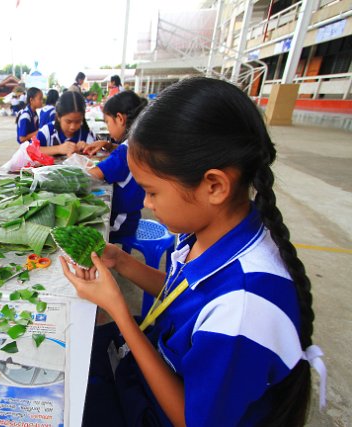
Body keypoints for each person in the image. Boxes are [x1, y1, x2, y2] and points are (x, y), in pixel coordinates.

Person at [60, 77, 323, 427]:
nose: (147, 204)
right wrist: (119, 261)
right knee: (67, 357)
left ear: (214, 186)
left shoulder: (245, 308)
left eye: (152, 192)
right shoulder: (206, 230)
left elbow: (190, 419)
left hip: (166, 409)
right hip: (154, 360)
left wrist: (118, 310)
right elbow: (180, 294)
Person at [82, 92, 148, 241]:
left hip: (119, 223)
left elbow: (93, 174)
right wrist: (109, 146)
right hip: (132, 217)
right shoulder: (137, 144)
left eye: (107, 122)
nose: (107, 127)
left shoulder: (124, 152)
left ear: (120, 118)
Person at [36, 91, 94, 156]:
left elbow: (94, 152)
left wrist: (86, 148)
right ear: (58, 116)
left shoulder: (86, 134)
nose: (72, 127)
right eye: (68, 122)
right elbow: (32, 150)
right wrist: (58, 149)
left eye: (78, 121)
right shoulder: (47, 132)